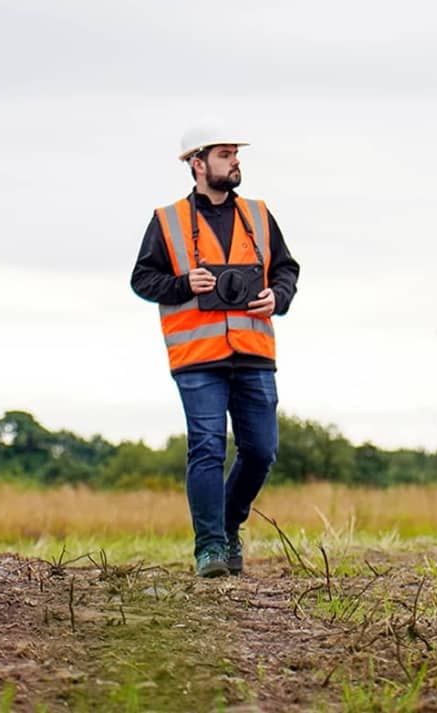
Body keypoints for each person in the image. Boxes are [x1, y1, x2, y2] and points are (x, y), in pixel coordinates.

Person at [129, 127, 301, 577]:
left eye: (235, 155)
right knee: (206, 447)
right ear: (198, 164)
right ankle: (209, 548)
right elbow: (142, 280)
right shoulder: (166, 221)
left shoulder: (260, 215)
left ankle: (227, 525)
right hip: (197, 356)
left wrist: (277, 298)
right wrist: (185, 284)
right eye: (225, 155)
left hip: (254, 351)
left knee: (261, 450)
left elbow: (286, 269)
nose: (235, 162)